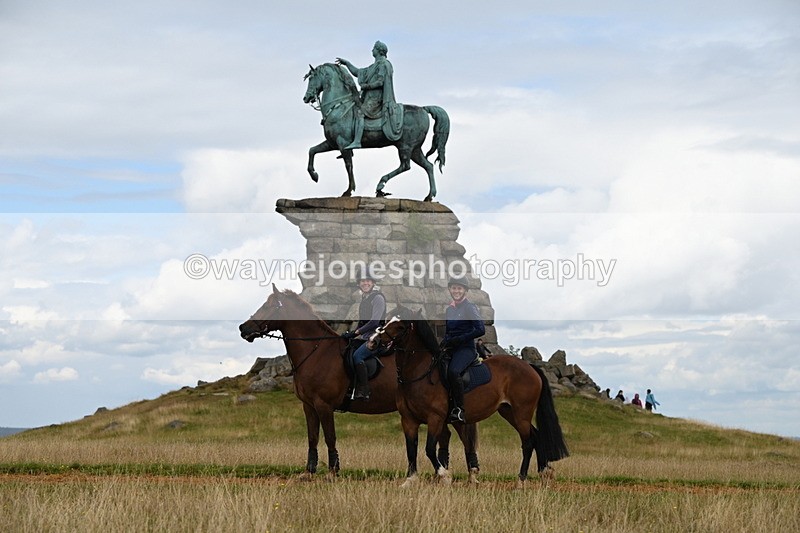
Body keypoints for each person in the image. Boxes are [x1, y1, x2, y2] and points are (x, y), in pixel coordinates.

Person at [336, 40, 398, 149]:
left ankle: (357, 141)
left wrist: (366, 86)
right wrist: (347, 63)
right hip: (368, 98)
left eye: (374, 48)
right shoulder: (374, 66)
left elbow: (380, 82)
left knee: (360, 113)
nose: (372, 50)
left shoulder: (384, 64)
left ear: (379, 51)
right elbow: (358, 72)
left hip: (376, 99)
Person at [441, 275, 485, 423]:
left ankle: (459, 409)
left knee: (453, 371)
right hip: (452, 348)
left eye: (459, 288)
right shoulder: (449, 309)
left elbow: (480, 329)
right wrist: (444, 343)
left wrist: (460, 338)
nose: (456, 291)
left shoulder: (469, 307)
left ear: (465, 291)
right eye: (454, 288)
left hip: (466, 349)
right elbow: (448, 332)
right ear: (450, 289)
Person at [341, 267, 386, 400]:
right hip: (365, 336)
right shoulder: (364, 299)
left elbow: (374, 322)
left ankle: (364, 390)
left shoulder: (377, 298)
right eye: (362, 281)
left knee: (357, 356)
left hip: (377, 336)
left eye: (368, 281)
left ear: (372, 283)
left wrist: (357, 332)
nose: (365, 283)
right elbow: (362, 323)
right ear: (359, 284)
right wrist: (350, 334)